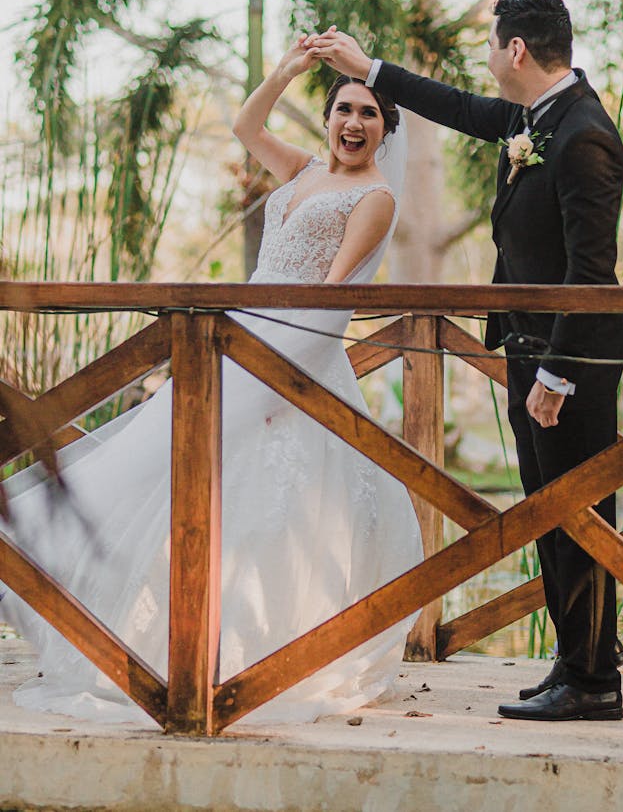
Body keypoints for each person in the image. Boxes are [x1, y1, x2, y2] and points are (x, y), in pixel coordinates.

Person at [0, 38, 422, 726]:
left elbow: (331, 298)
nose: (354, 122)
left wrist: (276, 383)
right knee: (157, 469)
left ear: (387, 129)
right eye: (344, 108)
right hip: (234, 341)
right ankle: (134, 635)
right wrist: (286, 71)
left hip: (293, 362)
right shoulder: (303, 170)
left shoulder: (374, 197)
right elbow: (246, 128)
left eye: (369, 113)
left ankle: (250, 659)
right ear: (327, 117)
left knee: (262, 515)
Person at [306, 0, 623, 722]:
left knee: (580, 517)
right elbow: (455, 106)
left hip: (568, 365)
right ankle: (578, 665)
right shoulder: (533, 118)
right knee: (553, 515)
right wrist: (371, 69)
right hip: (530, 348)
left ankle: (591, 682)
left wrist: (556, 374)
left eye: (491, 46)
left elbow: (591, 272)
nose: (486, 60)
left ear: (516, 50)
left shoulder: (581, 134)